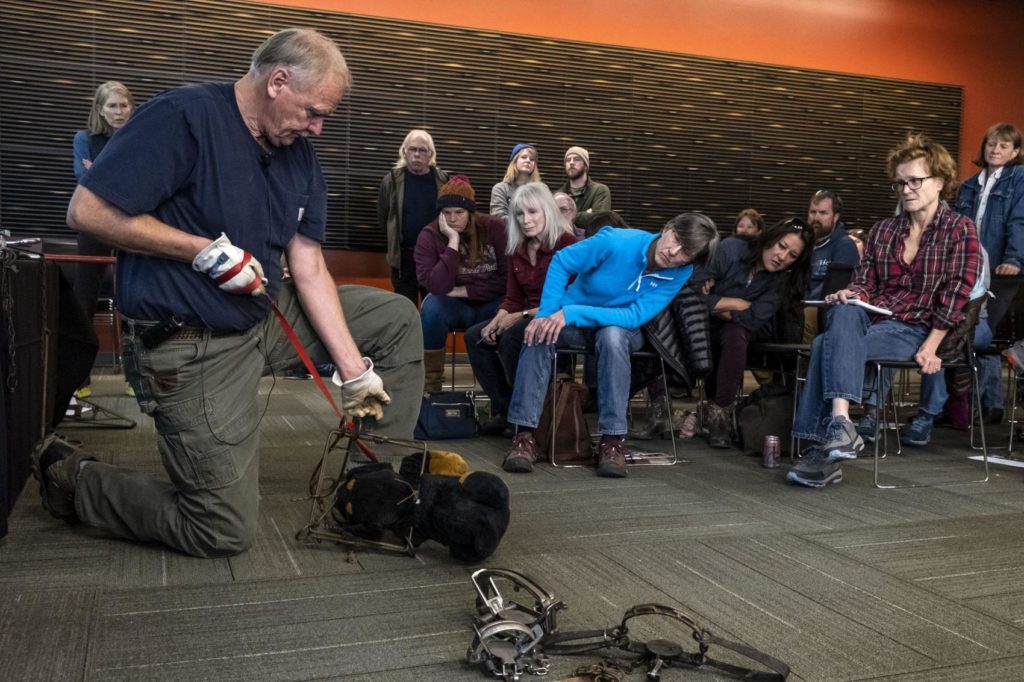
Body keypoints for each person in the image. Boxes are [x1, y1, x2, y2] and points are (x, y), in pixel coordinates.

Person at [41, 29, 423, 558]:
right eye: (313, 111)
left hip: (260, 315)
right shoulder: (183, 118)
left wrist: (354, 370)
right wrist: (198, 250)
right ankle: (74, 478)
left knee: (397, 317)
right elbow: (87, 211)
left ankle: (368, 489)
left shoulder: (299, 154)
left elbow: (307, 265)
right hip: (189, 341)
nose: (317, 126)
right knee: (219, 530)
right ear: (278, 81)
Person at [787, 133, 981, 488]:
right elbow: (865, 284)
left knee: (821, 345)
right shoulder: (884, 231)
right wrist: (851, 292)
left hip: (917, 329)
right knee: (845, 308)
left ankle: (818, 449)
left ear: (940, 182)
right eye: (900, 183)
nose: (906, 189)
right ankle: (842, 425)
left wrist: (932, 345)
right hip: (874, 321)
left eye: (915, 181)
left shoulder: (960, 230)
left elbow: (957, 294)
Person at [501, 214, 720, 477]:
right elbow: (562, 262)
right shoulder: (615, 242)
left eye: (686, 252)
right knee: (539, 332)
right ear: (667, 228)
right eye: (676, 240)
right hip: (576, 322)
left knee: (612, 335)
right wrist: (548, 313)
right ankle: (525, 437)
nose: (673, 252)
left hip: (622, 327)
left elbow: (634, 316)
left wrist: (571, 313)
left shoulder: (680, 272)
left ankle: (612, 441)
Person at [689, 219, 813, 447]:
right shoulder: (732, 248)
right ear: (770, 238)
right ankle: (679, 410)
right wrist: (736, 302)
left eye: (792, 255)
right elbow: (692, 290)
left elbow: (752, 318)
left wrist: (713, 301)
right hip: (699, 325)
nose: (782, 257)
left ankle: (721, 414)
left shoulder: (781, 281)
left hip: (748, 337)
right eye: (781, 246)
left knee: (736, 332)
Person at [465, 183, 577, 434]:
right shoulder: (517, 247)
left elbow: (569, 299)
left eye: (532, 212)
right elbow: (513, 297)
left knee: (514, 335)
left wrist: (520, 316)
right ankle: (507, 409)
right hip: (524, 314)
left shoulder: (567, 242)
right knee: (477, 337)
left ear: (547, 210)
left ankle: (529, 411)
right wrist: (497, 320)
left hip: (557, 316)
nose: (526, 220)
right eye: (519, 214)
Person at [71, 81, 136, 398]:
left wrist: (99, 172)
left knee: (132, 298)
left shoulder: (137, 138)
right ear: (99, 109)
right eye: (112, 106)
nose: (119, 112)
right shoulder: (84, 139)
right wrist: (107, 176)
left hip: (127, 225)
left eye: (124, 105)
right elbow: (84, 180)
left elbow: (141, 183)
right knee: (84, 300)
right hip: (94, 225)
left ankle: (134, 379)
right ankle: (79, 379)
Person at [415, 175, 507, 392]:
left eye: (459, 212)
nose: (452, 219)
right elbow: (436, 287)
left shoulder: (495, 228)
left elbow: (508, 280)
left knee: (513, 307)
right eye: (446, 213)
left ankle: (504, 391)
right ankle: (430, 388)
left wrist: (465, 290)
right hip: (453, 307)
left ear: (470, 213)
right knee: (431, 309)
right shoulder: (429, 235)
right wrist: (452, 243)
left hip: (492, 304)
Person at [955, 123, 1024, 335]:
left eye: (1004, 146)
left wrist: (1013, 259)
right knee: (962, 329)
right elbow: (957, 227)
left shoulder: (1020, 177)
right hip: (967, 267)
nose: (995, 150)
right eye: (991, 144)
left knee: (984, 331)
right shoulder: (968, 185)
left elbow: (1020, 220)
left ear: (1015, 152)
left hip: (999, 267)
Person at [377, 129, 450, 307]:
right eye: (412, 149)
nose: (417, 154)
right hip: (404, 259)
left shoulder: (443, 180)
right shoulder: (392, 180)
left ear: (431, 154)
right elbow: (384, 217)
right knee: (404, 310)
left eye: (422, 150)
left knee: (433, 308)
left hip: (435, 257)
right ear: (404, 152)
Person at [558, 146, 612, 231]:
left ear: (586, 165)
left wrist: (566, 216)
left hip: (591, 243)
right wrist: (586, 215)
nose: (571, 163)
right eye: (568, 160)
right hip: (565, 243)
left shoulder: (600, 191)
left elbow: (599, 221)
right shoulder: (559, 195)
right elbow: (555, 223)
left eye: (577, 159)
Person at [490, 143, 540, 221]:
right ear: (515, 161)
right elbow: (498, 218)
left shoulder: (540, 190)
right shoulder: (500, 188)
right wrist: (526, 222)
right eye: (524, 157)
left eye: (532, 159)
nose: (528, 161)